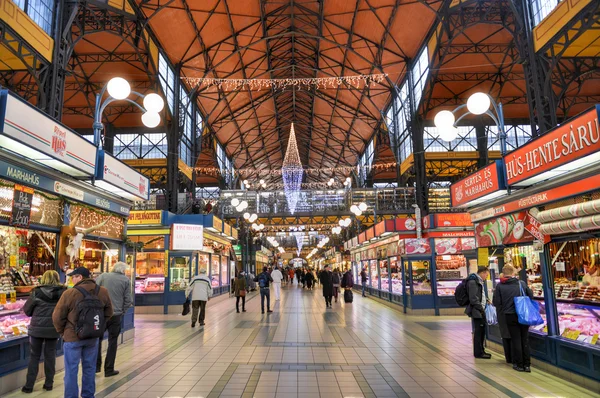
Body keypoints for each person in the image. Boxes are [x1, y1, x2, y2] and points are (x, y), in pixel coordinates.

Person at [52, 267, 113, 398]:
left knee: (71, 371)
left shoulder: (70, 293)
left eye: (73, 277)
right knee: (89, 369)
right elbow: (109, 313)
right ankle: (88, 395)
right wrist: (98, 326)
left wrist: (63, 332)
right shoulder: (102, 292)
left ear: (80, 277)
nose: (72, 279)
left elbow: (57, 316)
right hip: (92, 338)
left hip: (72, 338)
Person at [21, 270, 66, 393]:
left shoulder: (36, 292)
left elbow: (27, 311)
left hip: (37, 329)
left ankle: (29, 386)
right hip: (53, 329)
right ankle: (48, 384)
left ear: (44, 278)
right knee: (50, 355)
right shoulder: (64, 292)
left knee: (34, 356)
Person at [493, 265, 534, 372]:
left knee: (515, 339)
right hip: (523, 314)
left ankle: (518, 364)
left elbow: (496, 302)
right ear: (513, 273)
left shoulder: (500, 286)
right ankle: (527, 365)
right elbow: (531, 296)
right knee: (524, 339)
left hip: (509, 315)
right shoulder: (521, 283)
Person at [95, 262, 133, 377]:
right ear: (123, 270)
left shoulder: (102, 276)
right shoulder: (125, 280)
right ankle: (109, 369)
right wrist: (123, 311)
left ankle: (96, 367)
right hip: (116, 315)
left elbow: (93, 291)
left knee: (97, 340)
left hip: (101, 314)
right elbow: (128, 299)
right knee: (113, 342)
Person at [466, 266, 491, 359]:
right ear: (482, 273)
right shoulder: (473, 282)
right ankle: (478, 352)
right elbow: (473, 298)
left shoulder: (478, 281)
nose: (486, 277)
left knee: (481, 331)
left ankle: (481, 350)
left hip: (480, 309)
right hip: (477, 311)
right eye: (486, 275)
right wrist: (480, 308)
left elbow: (479, 295)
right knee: (478, 332)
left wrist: (486, 299)